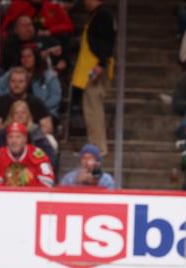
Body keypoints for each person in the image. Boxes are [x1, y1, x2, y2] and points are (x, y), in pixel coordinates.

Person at [71, 0, 114, 157]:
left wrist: (101, 64)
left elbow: (107, 41)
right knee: (90, 110)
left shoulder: (102, 15)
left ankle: (98, 149)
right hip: (91, 68)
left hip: (95, 68)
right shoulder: (96, 15)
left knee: (94, 110)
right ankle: (93, 147)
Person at [0, 45, 61, 119]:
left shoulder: (49, 76)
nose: (26, 59)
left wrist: (39, 108)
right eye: (23, 57)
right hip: (15, 112)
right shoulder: (12, 73)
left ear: (35, 58)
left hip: (44, 113)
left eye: (29, 56)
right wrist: (9, 104)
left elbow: (56, 97)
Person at [0, 121, 55, 187]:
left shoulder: (37, 155)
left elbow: (48, 182)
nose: (14, 141)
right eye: (10, 137)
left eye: (18, 137)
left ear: (25, 139)